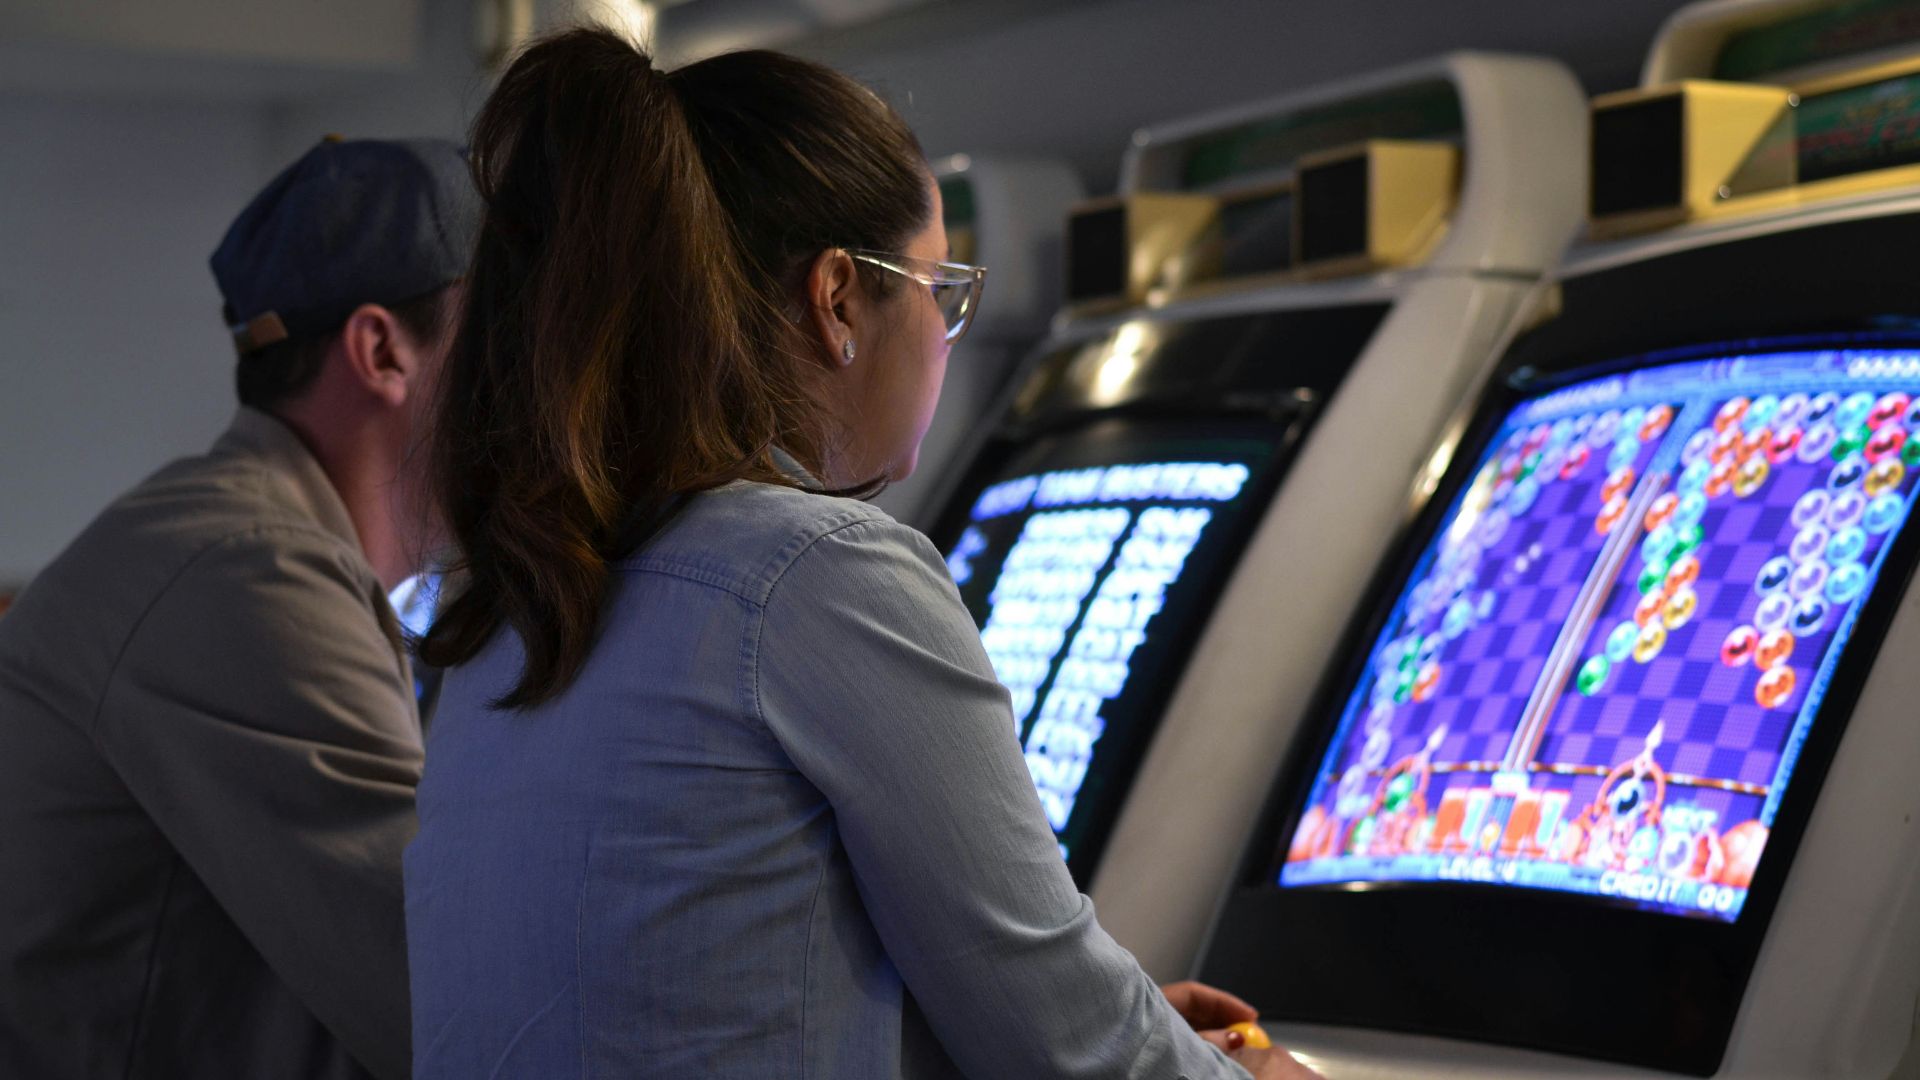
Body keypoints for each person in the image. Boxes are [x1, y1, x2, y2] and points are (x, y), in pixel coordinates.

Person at [403, 29, 1317, 1080]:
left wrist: (1090, 1012)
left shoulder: (517, 597)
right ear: (838, 298)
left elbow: (702, 991)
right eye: (941, 290)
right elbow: (1078, 1054)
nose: (944, 334)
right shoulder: (816, 573)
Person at [0, 137, 477, 1080]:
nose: (543, 391)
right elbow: (455, 1003)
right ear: (382, 350)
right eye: (505, 339)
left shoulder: (249, 543)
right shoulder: (251, 568)